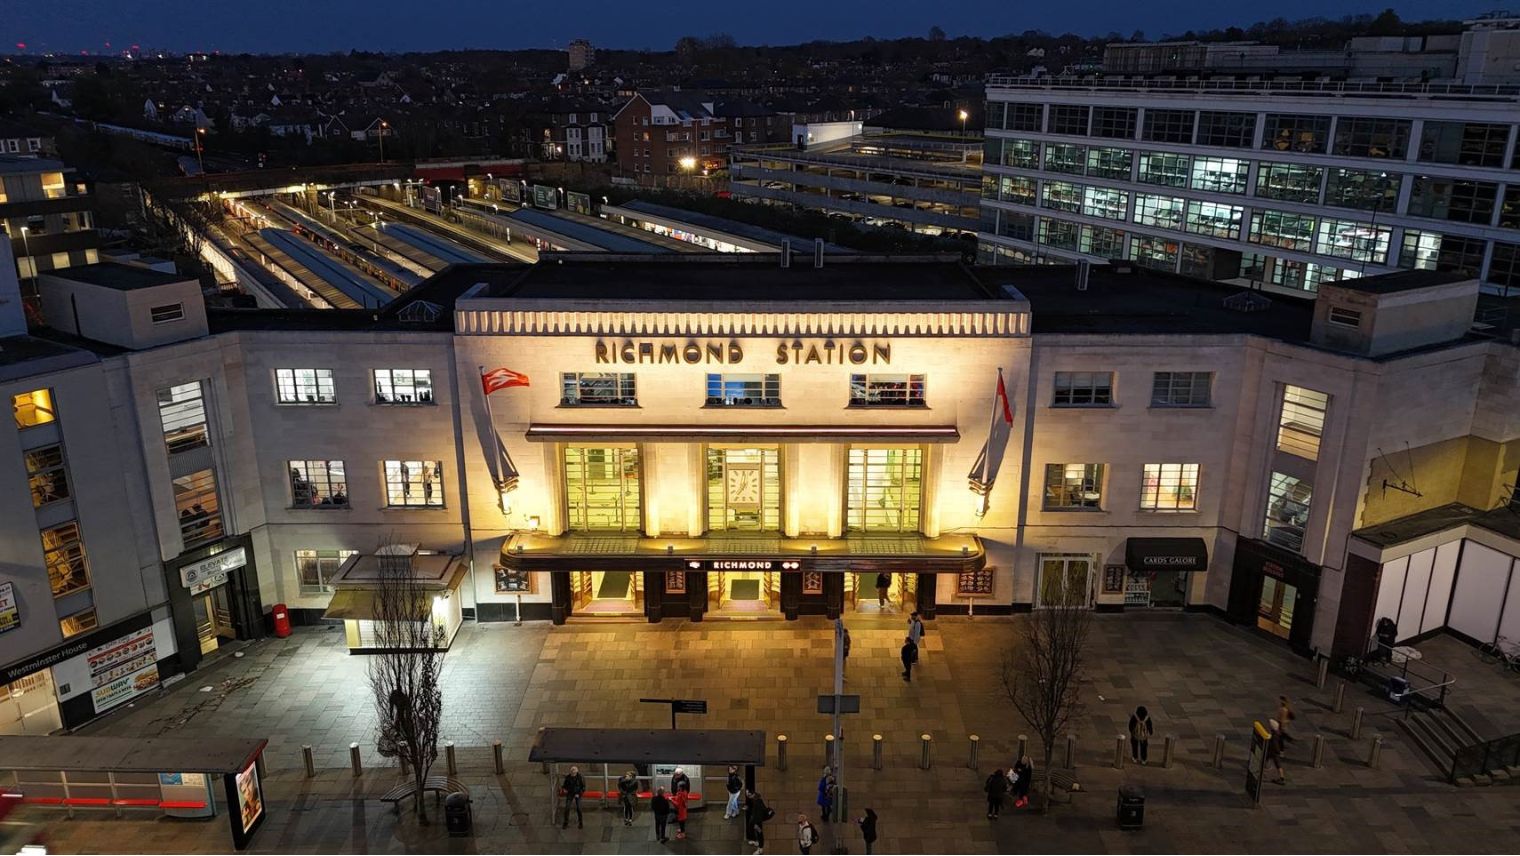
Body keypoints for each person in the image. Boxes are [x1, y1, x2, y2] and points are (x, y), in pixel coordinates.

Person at [747, 788, 773, 855]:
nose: (748, 796)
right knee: (753, 830)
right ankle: (756, 842)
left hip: (757, 821)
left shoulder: (757, 802)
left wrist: (756, 823)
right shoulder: (756, 799)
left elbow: (759, 813)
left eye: (749, 794)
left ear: (753, 794)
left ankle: (760, 849)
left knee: (759, 834)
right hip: (755, 820)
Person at [1265, 719, 1287, 784]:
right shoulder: (1278, 733)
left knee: (1278, 764)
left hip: (1274, 751)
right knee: (1267, 758)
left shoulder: (1274, 736)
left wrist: (1277, 751)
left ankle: (1282, 778)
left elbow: (1275, 745)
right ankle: (1265, 766)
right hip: (1274, 751)